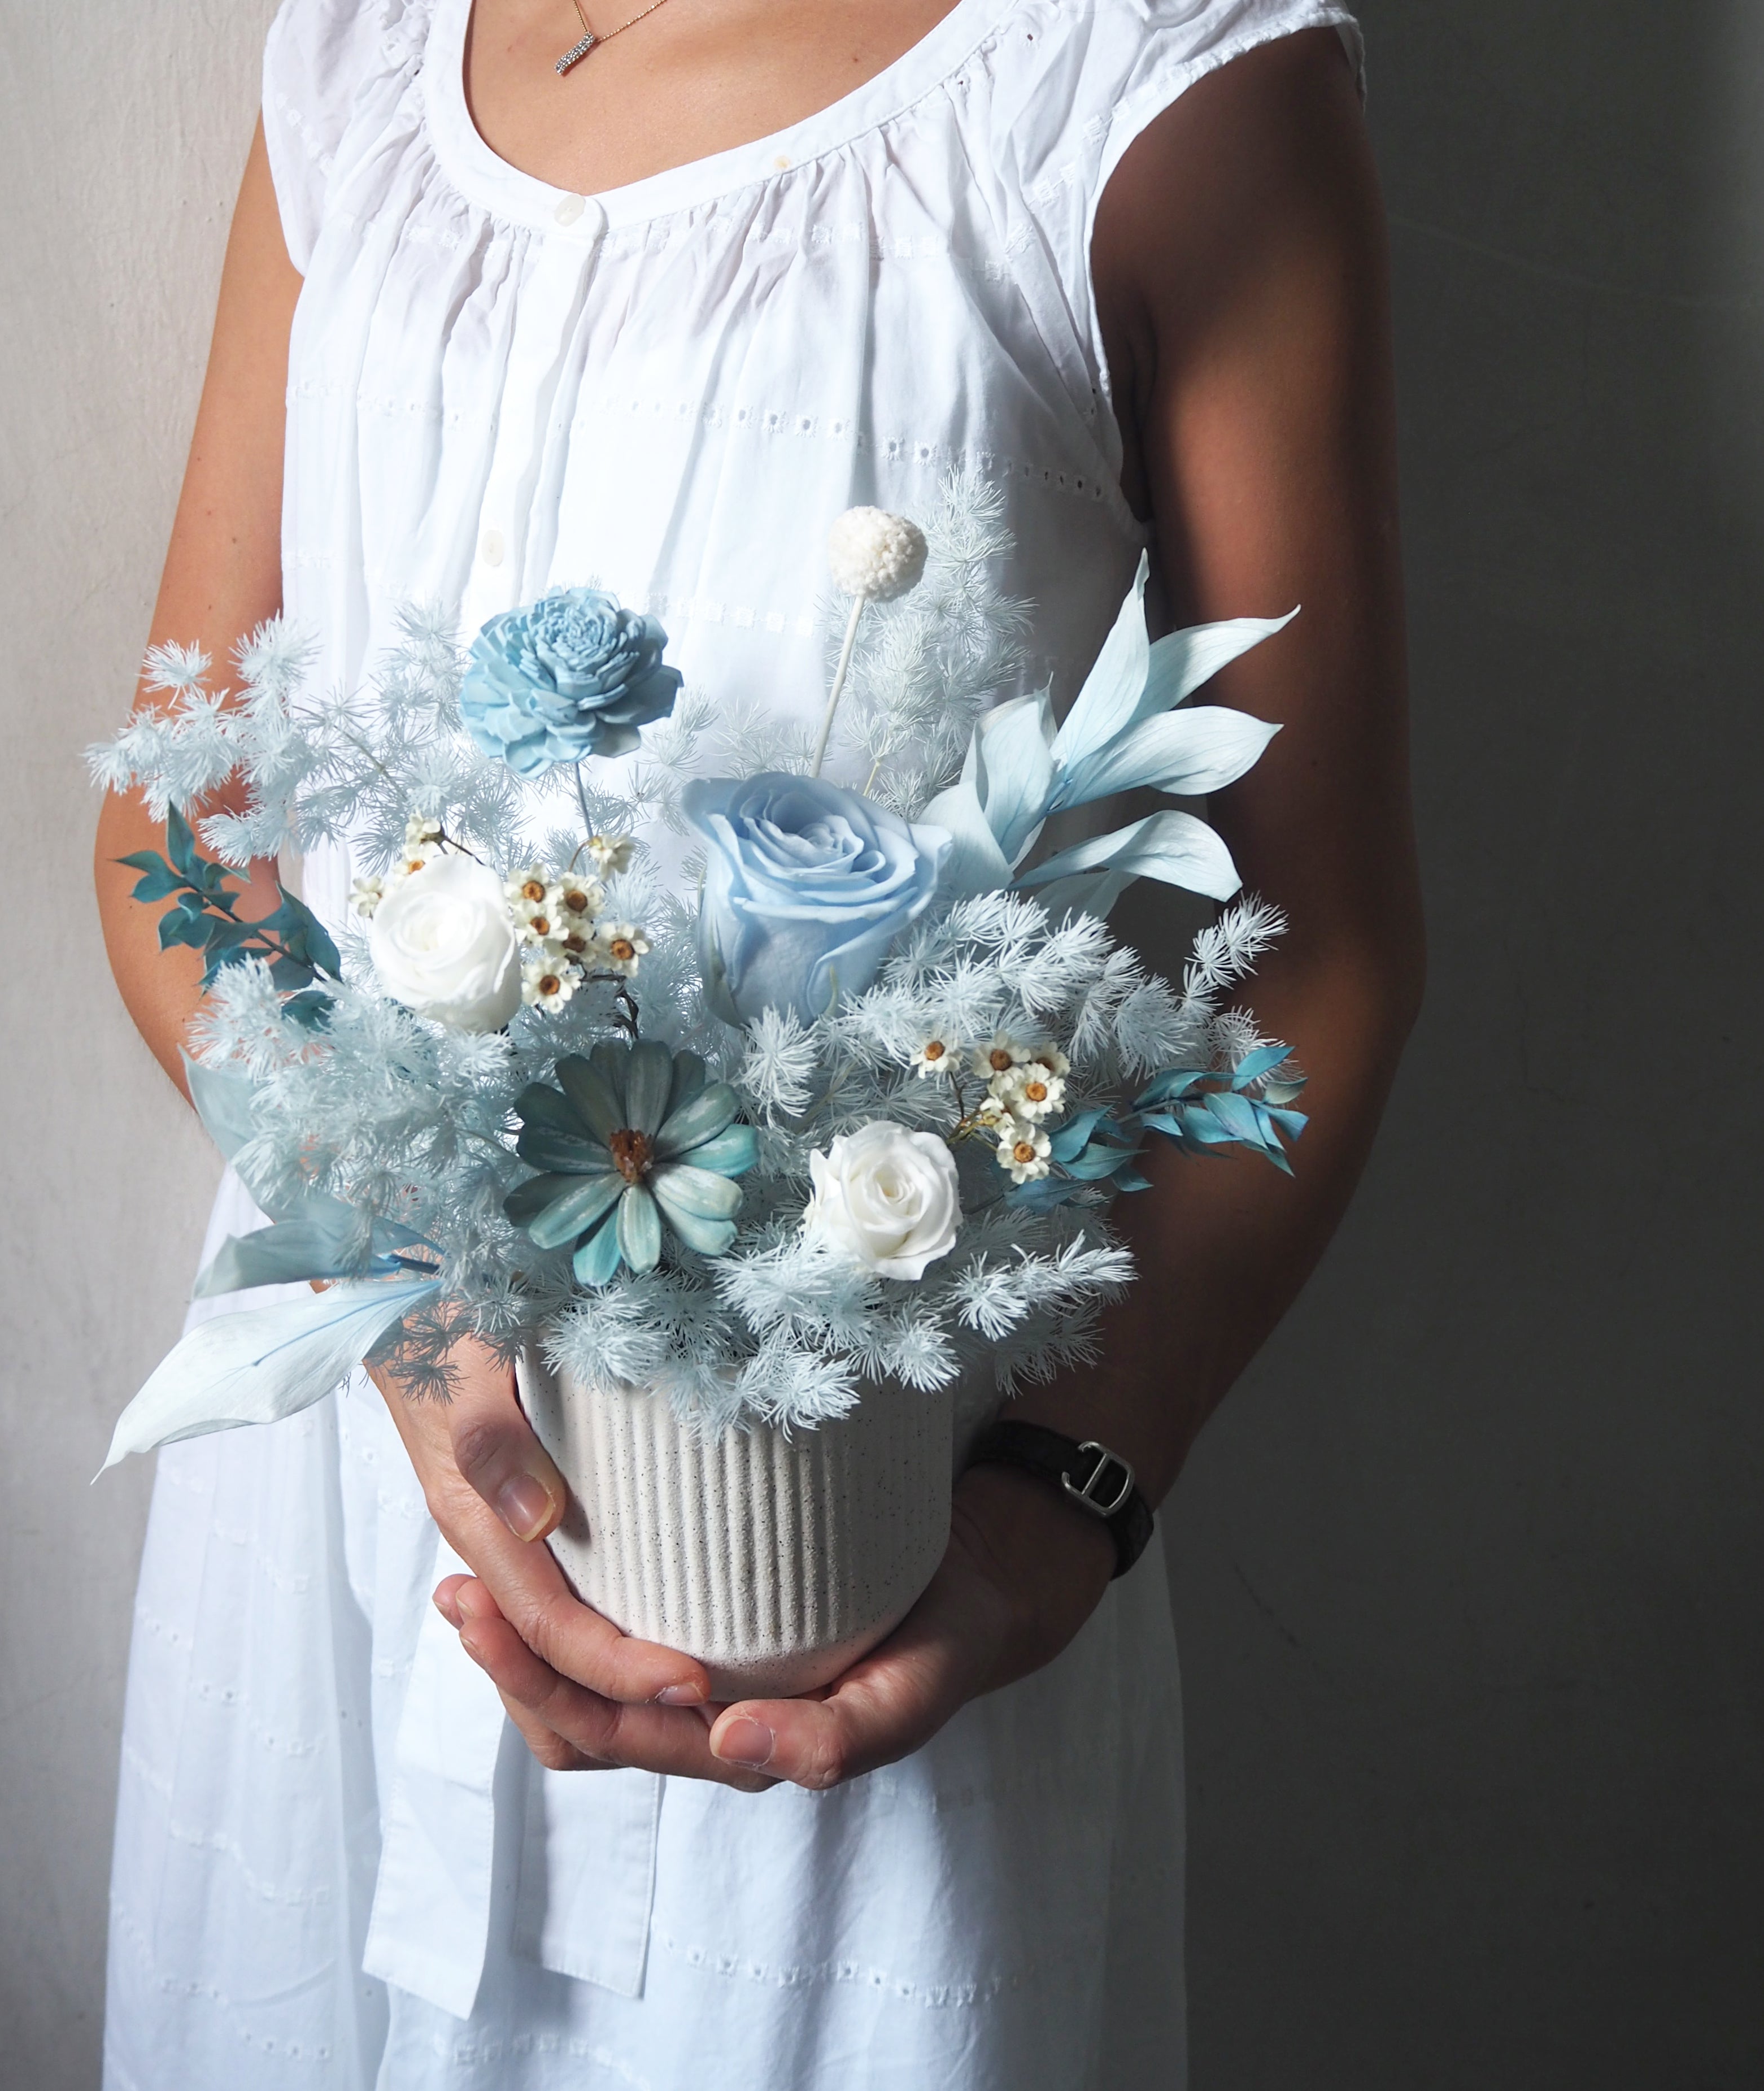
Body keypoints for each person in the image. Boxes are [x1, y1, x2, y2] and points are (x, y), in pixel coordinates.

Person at [94, 1, 1420, 2083]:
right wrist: (405, 1310)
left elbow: (1318, 940)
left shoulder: (1149, 77)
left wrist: (1065, 1501)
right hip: (347, 1498)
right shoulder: (360, 54)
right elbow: (184, 823)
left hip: (857, 1526)